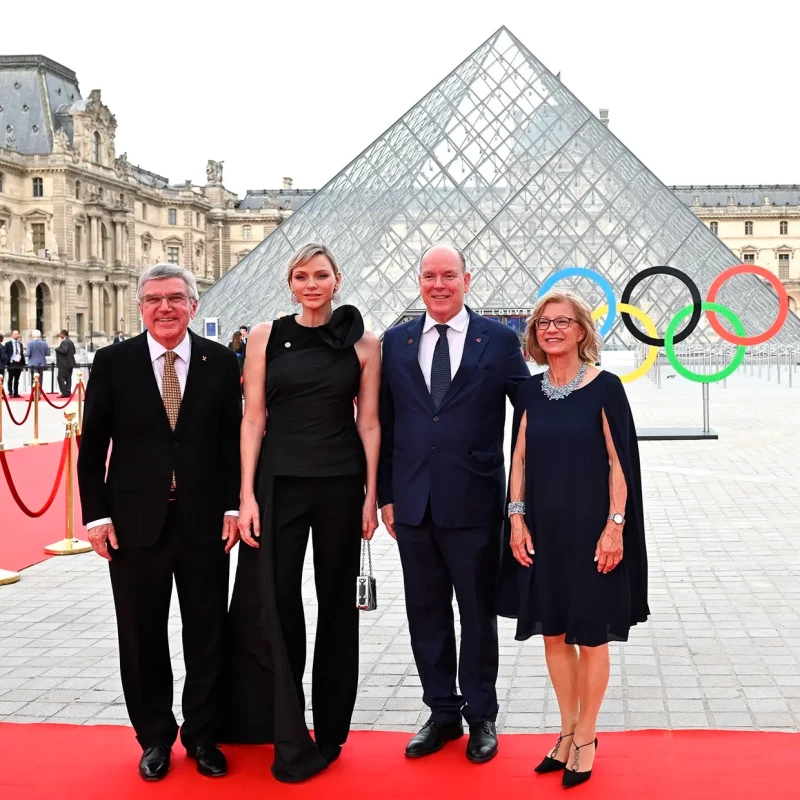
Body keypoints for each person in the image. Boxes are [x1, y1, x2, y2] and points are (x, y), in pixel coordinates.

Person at [220, 242, 381, 782]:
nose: (310, 284)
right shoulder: (265, 336)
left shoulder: (364, 345)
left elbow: (370, 423)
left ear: (338, 279)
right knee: (279, 607)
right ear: (290, 283)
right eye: (300, 276)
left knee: (337, 606)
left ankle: (332, 730)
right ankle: (289, 733)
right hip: (278, 485)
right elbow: (253, 419)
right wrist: (246, 496)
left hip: (340, 483)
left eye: (320, 275)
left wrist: (370, 496)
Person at [77, 264, 242, 783]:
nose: (164, 308)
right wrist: (96, 516)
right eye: (153, 299)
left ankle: (202, 735)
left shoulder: (219, 361)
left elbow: (233, 441)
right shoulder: (113, 362)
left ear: (194, 304)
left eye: (175, 298)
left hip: (205, 521)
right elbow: (92, 445)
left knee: (208, 634)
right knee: (141, 636)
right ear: (141, 306)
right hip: (133, 522)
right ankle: (154, 737)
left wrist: (235, 506)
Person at [378, 243, 529, 764]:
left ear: (467, 278)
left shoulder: (501, 340)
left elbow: (528, 419)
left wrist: (523, 501)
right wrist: (386, 495)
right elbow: (385, 421)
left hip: (476, 499)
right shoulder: (395, 342)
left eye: (448, 276)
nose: (438, 285)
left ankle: (481, 714)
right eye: (428, 276)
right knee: (426, 613)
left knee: (477, 612)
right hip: (413, 503)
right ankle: (441, 712)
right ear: (418, 281)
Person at [498, 290, 649, 789]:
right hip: (543, 529)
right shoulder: (528, 392)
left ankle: (587, 736)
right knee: (554, 633)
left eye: (563, 322)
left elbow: (619, 462)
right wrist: (516, 520)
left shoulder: (605, 387)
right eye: (543, 323)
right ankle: (565, 731)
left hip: (591, 530)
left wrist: (615, 526)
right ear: (534, 333)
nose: (552, 330)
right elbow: (517, 459)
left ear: (582, 331)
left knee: (591, 634)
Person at [55, 329, 76, 397]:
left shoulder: (64, 342)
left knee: (60, 377)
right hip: (70, 363)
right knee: (68, 378)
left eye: (60, 334)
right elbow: (74, 351)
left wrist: (57, 349)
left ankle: (64, 392)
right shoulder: (70, 341)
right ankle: (68, 391)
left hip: (64, 364)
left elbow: (64, 350)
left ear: (63, 334)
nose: (60, 335)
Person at [5, 330, 26, 397]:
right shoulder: (8, 344)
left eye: (17, 334)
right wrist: (7, 362)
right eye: (15, 334)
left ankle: (16, 392)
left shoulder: (20, 344)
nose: (16, 335)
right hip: (11, 363)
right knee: (10, 378)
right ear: (12, 335)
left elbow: (21, 354)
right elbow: (6, 353)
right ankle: (10, 392)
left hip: (18, 363)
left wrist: (23, 364)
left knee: (17, 378)